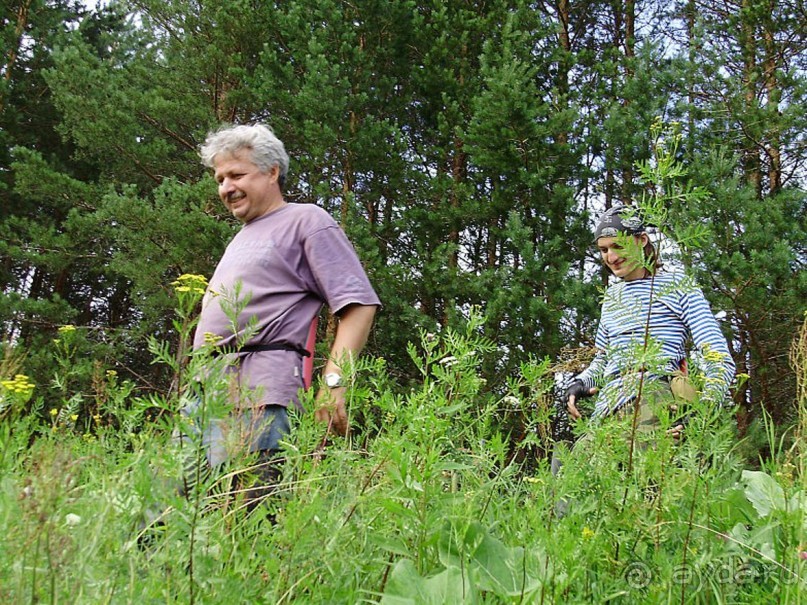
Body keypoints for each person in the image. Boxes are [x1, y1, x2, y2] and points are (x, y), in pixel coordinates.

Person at [186, 123, 381, 511]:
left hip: (262, 391)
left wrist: (334, 382)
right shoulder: (242, 237)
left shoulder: (306, 220)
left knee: (251, 513)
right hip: (206, 392)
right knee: (177, 513)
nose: (226, 187)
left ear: (272, 172)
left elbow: (359, 304)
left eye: (237, 174)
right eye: (220, 178)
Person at [553, 205, 735, 481]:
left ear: (641, 240)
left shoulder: (679, 287)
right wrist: (580, 383)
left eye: (618, 246)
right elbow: (603, 360)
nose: (611, 257)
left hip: (654, 398)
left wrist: (703, 412)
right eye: (603, 250)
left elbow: (718, 356)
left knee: (644, 498)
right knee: (569, 484)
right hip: (607, 408)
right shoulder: (611, 299)